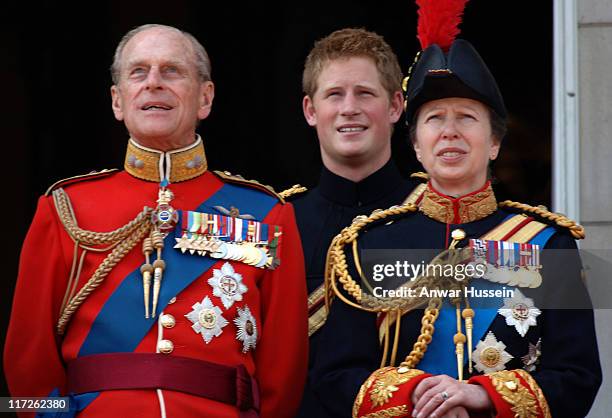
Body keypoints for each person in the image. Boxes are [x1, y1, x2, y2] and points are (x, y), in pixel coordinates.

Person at [312, 2, 602, 418]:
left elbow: (578, 376)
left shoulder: (547, 243)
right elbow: (334, 376)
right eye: (433, 119)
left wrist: (484, 395)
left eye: (466, 117)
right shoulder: (366, 245)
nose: (449, 131)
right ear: (415, 144)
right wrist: (418, 394)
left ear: (495, 143)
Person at [4, 24, 307, 418]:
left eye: (172, 71)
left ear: (205, 98)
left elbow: (284, 371)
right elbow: (27, 360)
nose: (153, 83)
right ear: (118, 101)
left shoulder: (268, 213)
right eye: (138, 72)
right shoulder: (65, 207)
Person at [288, 28, 421, 418]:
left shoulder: (437, 213)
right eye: (334, 95)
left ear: (396, 106)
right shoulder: (279, 224)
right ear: (310, 111)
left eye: (365, 93)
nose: (349, 108)